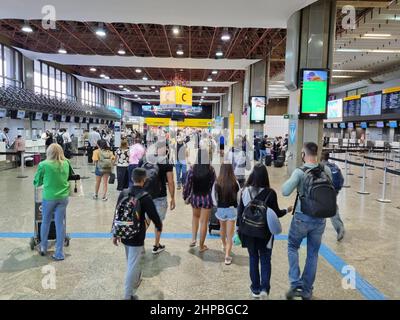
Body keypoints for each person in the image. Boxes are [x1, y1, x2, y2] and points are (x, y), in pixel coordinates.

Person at [282, 142, 333, 300]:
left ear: (303, 154)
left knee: (292, 246)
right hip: (320, 219)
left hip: (302, 217)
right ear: (316, 153)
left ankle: (295, 282)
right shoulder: (326, 169)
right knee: (313, 254)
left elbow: (284, 191)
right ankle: (307, 290)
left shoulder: (300, 172)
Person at [237, 163, 291, 298]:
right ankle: (264, 289)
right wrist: (287, 210)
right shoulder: (270, 193)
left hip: (248, 232)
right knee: (266, 260)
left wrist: (238, 231)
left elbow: (240, 213)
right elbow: (276, 213)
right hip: (265, 234)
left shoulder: (244, 191)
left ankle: (255, 288)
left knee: (253, 258)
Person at [112, 168, 162, 300]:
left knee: (131, 261)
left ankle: (132, 291)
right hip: (137, 235)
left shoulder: (124, 193)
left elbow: (117, 213)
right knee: (132, 265)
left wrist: (115, 233)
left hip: (124, 233)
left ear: (132, 178)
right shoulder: (145, 196)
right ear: (144, 180)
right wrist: (159, 225)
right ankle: (127, 295)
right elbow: (154, 215)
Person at [33, 143, 70, 260]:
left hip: (49, 197)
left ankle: (43, 247)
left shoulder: (43, 164)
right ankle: (59, 252)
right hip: (63, 197)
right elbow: (69, 177)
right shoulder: (66, 163)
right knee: (60, 223)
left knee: (46, 221)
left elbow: (36, 182)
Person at [142, 139, 175, 254]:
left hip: (146, 196)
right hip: (160, 197)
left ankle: (140, 245)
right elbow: (170, 182)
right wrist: (173, 198)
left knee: (145, 221)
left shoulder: (147, 159)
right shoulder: (166, 162)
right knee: (158, 222)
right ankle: (156, 246)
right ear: (165, 149)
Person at [183, 148, 215, 252]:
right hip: (206, 198)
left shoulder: (192, 169)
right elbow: (213, 185)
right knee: (204, 222)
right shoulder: (211, 170)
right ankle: (201, 246)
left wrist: (185, 196)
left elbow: (188, 184)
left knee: (195, 218)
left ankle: (193, 239)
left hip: (195, 198)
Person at [211, 164, 240, 265]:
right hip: (231, 209)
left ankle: (223, 244)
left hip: (221, 209)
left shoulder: (217, 182)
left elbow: (213, 197)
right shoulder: (235, 182)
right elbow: (238, 197)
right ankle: (227, 256)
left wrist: (217, 205)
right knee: (230, 234)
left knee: (222, 229)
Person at [321, 151, 345, 241]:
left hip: (324, 191)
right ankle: (340, 228)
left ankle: (317, 230)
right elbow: (342, 179)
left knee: (319, 209)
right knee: (333, 209)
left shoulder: (321, 167)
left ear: (321, 157)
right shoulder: (334, 166)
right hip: (334, 191)